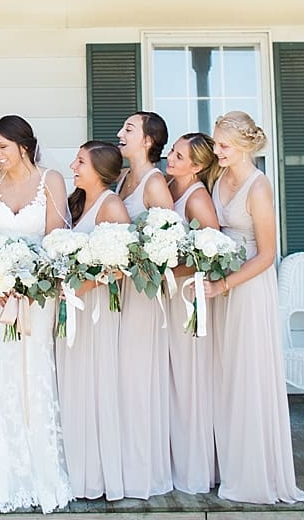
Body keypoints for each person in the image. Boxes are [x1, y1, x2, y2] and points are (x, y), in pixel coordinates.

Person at [0, 115, 72, 513]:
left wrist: (27, 280)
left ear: (23, 147)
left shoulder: (52, 180)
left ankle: (39, 474)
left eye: (2, 147)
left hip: (37, 294)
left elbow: (53, 239)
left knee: (33, 373)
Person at [204, 112, 304, 504]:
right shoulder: (218, 177)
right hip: (221, 282)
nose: (217, 151)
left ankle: (254, 472)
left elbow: (267, 255)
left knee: (247, 373)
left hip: (246, 285)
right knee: (225, 374)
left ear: (245, 146)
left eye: (224, 145)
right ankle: (229, 461)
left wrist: (225, 284)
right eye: (215, 144)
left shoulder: (258, 187)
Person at [56, 141, 130, 501]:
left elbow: (121, 266)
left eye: (80, 161)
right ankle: (76, 468)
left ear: (100, 169)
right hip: (74, 306)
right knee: (74, 386)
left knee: (94, 385)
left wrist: (79, 289)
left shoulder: (111, 204)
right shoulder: (79, 202)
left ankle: (97, 474)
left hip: (94, 309)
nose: (73, 165)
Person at [114, 111, 174, 498]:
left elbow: (170, 242)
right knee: (120, 377)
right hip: (118, 291)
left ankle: (142, 469)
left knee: (137, 378)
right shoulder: (121, 179)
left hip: (141, 294)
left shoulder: (154, 184)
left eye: (129, 129)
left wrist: (133, 259)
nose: (120, 134)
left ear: (148, 141)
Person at [164, 132, 221, 495]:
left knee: (188, 381)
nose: (171, 158)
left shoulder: (197, 198)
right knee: (171, 381)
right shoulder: (169, 184)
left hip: (186, 298)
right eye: (172, 151)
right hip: (166, 296)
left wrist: (167, 268)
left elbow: (211, 252)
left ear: (198, 166)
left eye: (180, 156)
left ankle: (195, 470)